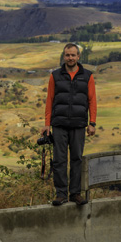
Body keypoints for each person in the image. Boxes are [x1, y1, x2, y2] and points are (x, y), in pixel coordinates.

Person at [43, 42, 97, 205]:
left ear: (78, 57)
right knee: (59, 160)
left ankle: (75, 193)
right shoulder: (55, 75)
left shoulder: (88, 76)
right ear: (64, 56)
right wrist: (47, 123)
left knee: (76, 159)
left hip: (79, 124)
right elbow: (49, 100)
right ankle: (61, 194)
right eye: (67, 55)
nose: (70, 57)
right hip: (59, 124)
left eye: (73, 55)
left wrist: (92, 122)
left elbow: (92, 100)